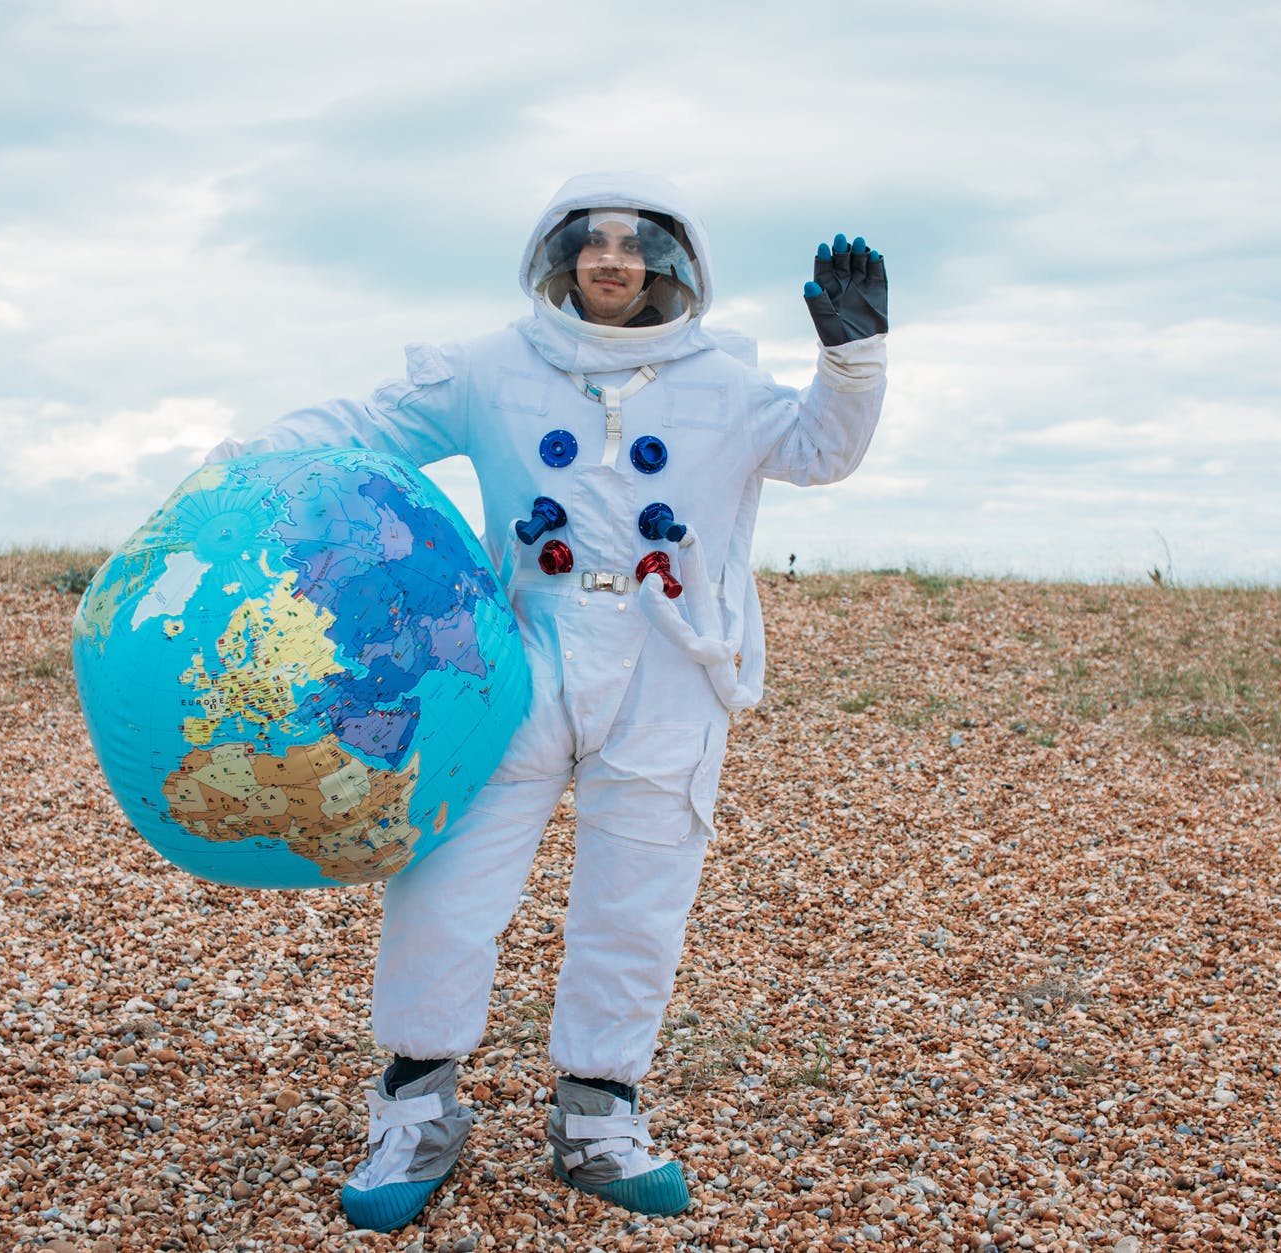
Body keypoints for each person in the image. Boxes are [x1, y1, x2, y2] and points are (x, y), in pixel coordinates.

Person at [205, 171, 888, 1231]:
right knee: (446, 882)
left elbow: (821, 449)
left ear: (673, 258)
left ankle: (597, 1114)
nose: (610, 259)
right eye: (590, 238)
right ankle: (414, 1106)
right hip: (519, 655)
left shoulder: (722, 380)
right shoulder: (495, 367)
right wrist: (236, 466)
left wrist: (850, 362)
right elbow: (367, 425)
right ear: (559, 253)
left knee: (639, 895)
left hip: (670, 662)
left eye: (635, 241)